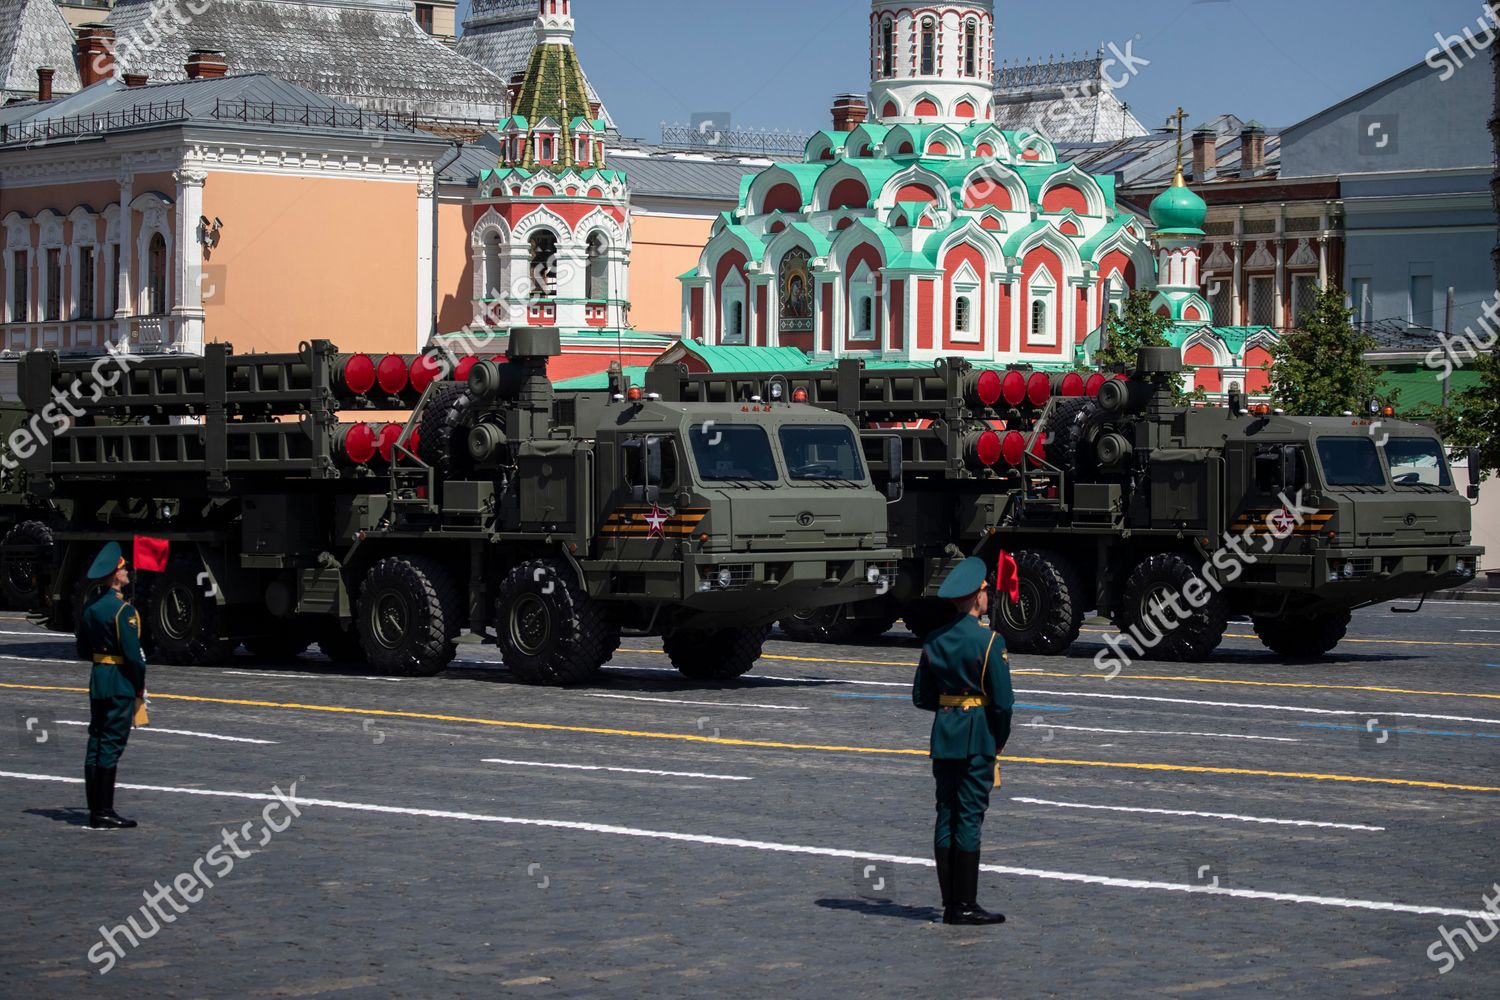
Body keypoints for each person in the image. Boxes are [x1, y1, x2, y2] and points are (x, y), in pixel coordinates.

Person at [911, 556, 1015, 925]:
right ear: (976, 597)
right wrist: (998, 740)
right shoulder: (989, 641)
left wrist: (949, 709)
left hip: (944, 736)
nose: (989, 596)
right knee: (969, 817)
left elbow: (922, 697)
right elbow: (1002, 703)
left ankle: (950, 901)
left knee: (946, 814)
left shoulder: (934, 640)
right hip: (977, 739)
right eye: (986, 591)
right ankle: (964, 905)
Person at [76, 542, 147, 831]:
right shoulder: (122, 611)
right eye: (124, 568)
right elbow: (134, 657)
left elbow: (82, 649)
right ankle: (103, 812)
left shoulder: (91, 607)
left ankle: (95, 809)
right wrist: (139, 687)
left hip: (98, 678)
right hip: (119, 681)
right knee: (112, 745)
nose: (128, 571)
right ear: (116, 575)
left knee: (96, 742)